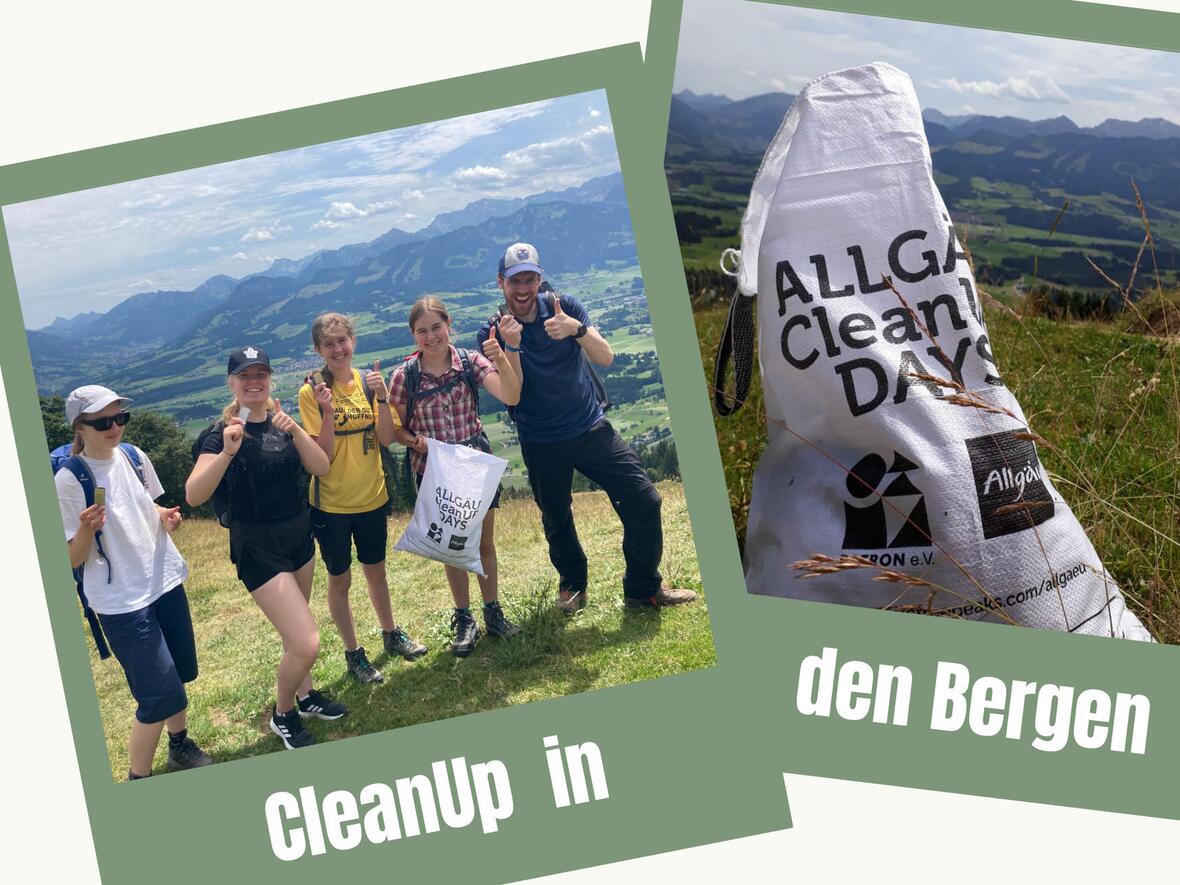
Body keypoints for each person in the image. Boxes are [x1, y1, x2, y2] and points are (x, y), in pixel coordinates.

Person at [477, 243, 697, 612]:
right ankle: (573, 587)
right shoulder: (492, 332)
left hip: (589, 427)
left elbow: (605, 356)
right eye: (515, 280)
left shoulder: (566, 306)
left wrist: (576, 328)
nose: (522, 289)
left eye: (529, 279)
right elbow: (511, 395)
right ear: (501, 283)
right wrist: (510, 345)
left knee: (645, 500)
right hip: (540, 439)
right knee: (556, 516)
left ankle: (642, 589)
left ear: (539, 279)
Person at [186, 347, 344, 750]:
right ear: (232, 384)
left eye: (261, 374)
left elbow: (321, 466)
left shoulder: (282, 423)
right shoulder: (218, 433)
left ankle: (306, 696)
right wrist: (227, 451)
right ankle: (283, 712)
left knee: (298, 631)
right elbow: (194, 495)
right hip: (257, 546)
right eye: (244, 376)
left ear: (270, 379)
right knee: (307, 641)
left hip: (298, 537)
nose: (253, 381)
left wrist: (294, 430)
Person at [55, 385, 213, 779]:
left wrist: (165, 517)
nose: (115, 427)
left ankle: (179, 746)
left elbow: (146, 505)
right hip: (122, 601)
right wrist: (87, 530)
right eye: (103, 421)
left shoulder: (133, 456)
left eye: (120, 418)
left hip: (163, 580)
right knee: (158, 696)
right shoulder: (69, 481)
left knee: (178, 674)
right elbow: (70, 558)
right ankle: (138, 778)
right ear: (79, 426)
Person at [388, 296, 524, 656]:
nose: (431, 337)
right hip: (433, 472)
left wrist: (505, 354)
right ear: (413, 335)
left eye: (436, 327)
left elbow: (511, 394)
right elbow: (395, 430)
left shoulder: (470, 362)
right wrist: (416, 442)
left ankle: (492, 612)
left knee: (483, 543)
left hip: (475, 467)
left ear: (449, 324)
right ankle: (465, 619)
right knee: (451, 547)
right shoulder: (404, 376)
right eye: (422, 331)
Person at [298, 312, 426, 685]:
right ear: (319, 350)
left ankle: (390, 634)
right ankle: (354, 653)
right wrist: (325, 411)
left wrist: (383, 397)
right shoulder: (311, 392)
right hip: (331, 504)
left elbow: (386, 438)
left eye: (343, 341)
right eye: (329, 344)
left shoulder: (368, 384)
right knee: (340, 581)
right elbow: (321, 459)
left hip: (372, 496)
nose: (338, 349)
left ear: (353, 342)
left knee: (377, 573)